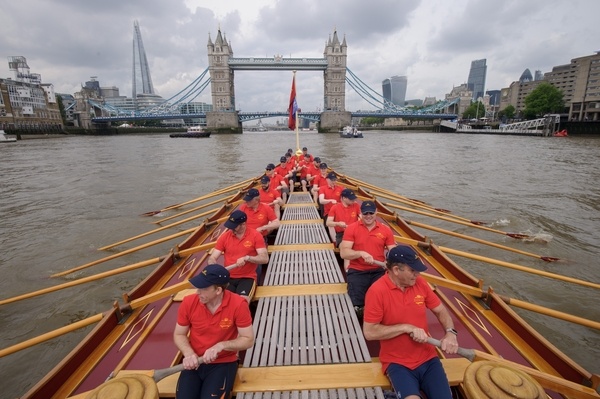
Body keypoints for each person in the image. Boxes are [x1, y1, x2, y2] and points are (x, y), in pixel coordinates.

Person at [363, 246, 459, 399]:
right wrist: (406, 327)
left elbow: (440, 310)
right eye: (412, 271)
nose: (417, 274)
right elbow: (369, 332)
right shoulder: (376, 292)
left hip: (428, 359)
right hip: (398, 364)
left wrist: (450, 333)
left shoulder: (420, 283)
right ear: (396, 270)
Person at [173, 263, 254, 399]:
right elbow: (179, 334)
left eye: (203, 288)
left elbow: (248, 339)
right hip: (195, 361)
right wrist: (188, 353)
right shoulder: (188, 302)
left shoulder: (238, 305)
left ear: (218, 291)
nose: (197, 292)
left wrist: (221, 345)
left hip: (223, 362)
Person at [339, 200, 396, 316]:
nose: (368, 216)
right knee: (357, 307)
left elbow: (394, 251)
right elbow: (344, 253)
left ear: (376, 212)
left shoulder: (386, 230)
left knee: (381, 301)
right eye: (365, 213)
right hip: (357, 271)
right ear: (360, 213)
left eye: (371, 213)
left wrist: (391, 261)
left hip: (378, 271)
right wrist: (360, 253)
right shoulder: (351, 228)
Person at [208, 210, 269, 302]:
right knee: (222, 301)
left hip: (247, 277)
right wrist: (212, 264)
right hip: (228, 277)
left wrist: (248, 258)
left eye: (233, 226)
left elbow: (265, 259)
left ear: (243, 224)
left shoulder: (256, 235)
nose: (231, 229)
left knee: (242, 302)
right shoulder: (224, 237)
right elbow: (213, 257)